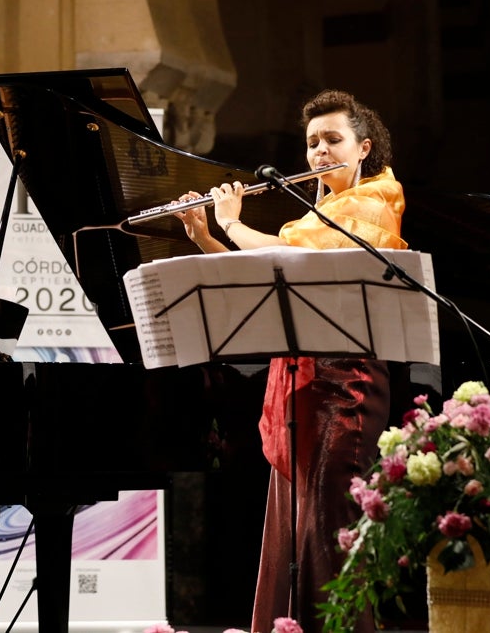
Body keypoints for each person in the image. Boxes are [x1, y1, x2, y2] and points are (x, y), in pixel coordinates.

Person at [173, 89, 405, 633]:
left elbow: (294, 256)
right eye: (312, 143)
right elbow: (266, 278)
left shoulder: (374, 201)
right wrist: (208, 236)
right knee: (293, 531)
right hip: (304, 386)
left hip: (345, 387)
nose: (319, 151)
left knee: (329, 529)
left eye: (332, 140)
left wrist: (232, 223)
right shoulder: (323, 210)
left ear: (363, 146)